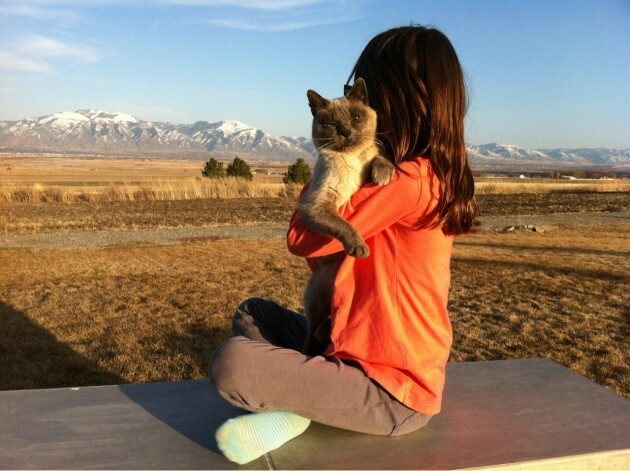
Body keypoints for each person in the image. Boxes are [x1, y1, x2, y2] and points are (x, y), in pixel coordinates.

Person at [208, 25, 477, 465]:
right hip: (346, 344)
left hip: (391, 386)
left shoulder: (407, 179)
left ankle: (296, 412)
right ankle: (308, 399)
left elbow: (301, 237)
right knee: (253, 311)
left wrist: (324, 169)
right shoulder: (414, 172)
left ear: (398, 96)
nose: (357, 100)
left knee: (232, 364)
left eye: (367, 90)